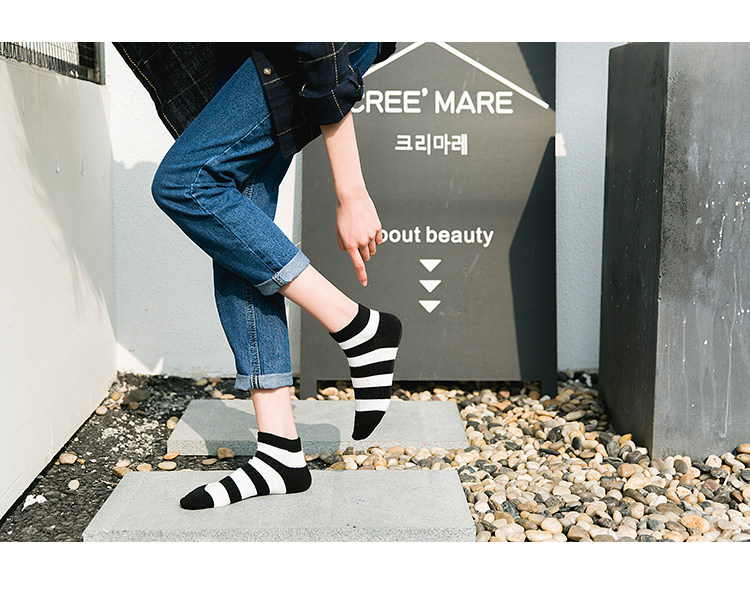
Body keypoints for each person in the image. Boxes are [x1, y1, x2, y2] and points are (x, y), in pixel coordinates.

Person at [114, 42, 402, 510]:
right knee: (238, 220)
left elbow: (321, 43)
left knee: (187, 183)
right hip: (259, 46)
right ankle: (279, 451)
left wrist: (351, 190)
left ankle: (356, 325)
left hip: (309, 46)